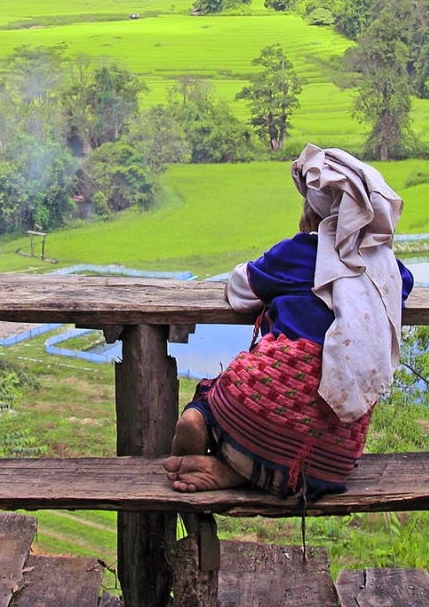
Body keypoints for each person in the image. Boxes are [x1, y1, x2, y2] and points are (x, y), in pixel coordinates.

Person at [163, 144, 414, 500]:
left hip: (258, 411)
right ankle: (250, 472)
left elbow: (240, 288)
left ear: (311, 218)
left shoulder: (295, 253)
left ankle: (221, 450)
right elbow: (401, 288)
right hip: (330, 455)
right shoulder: (390, 273)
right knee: (319, 457)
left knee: (212, 394)